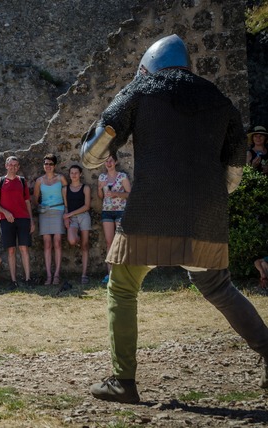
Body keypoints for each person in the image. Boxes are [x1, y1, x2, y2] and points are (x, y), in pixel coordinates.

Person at [80, 34, 268, 403]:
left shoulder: (141, 89)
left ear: (148, 64)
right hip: (205, 215)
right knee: (219, 288)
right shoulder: (221, 102)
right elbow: (233, 177)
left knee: (122, 286)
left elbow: (92, 154)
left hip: (150, 211)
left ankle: (123, 382)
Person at [0, 156, 35, 289]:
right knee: (11, 250)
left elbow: (27, 202)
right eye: (11, 165)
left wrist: (31, 221)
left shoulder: (22, 181)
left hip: (23, 218)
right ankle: (13, 281)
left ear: (18, 167)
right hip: (6, 219)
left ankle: (28, 279)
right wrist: (6, 212)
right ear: (6, 166)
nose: (13, 167)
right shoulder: (0, 181)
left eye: (16, 165)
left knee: (24, 248)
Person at [33, 153, 67, 286]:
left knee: (57, 243)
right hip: (45, 214)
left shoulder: (61, 179)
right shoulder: (39, 181)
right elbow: (35, 199)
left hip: (59, 211)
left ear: (55, 165)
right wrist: (40, 207)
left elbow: (67, 196)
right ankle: (48, 275)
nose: (48, 166)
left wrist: (67, 213)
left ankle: (57, 274)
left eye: (50, 164)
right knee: (47, 244)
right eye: (46, 163)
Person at [97, 154, 131, 284]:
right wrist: (100, 188)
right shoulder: (102, 177)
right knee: (109, 242)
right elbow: (100, 196)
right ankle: (110, 273)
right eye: (106, 161)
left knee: (121, 242)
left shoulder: (122, 176)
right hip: (107, 212)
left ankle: (121, 274)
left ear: (115, 162)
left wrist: (116, 194)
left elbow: (129, 194)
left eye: (111, 160)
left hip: (120, 212)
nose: (108, 163)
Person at [62, 165, 92, 284]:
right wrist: (66, 217)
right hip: (71, 219)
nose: (74, 175)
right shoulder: (65, 189)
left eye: (76, 173)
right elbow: (65, 206)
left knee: (85, 246)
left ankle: (84, 274)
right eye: (71, 173)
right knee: (72, 240)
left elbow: (87, 206)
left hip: (84, 216)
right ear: (69, 174)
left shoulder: (85, 188)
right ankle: (80, 241)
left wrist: (68, 215)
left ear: (80, 174)